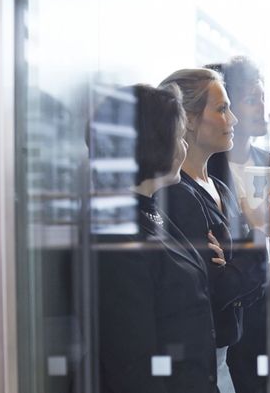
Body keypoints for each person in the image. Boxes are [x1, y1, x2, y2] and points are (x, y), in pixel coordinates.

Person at [155, 68, 270, 393]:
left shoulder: (221, 187)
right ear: (191, 119)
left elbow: (243, 286)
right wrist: (257, 234)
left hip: (224, 358)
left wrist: (237, 258)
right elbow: (216, 290)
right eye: (222, 109)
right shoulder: (176, 194)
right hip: (194, 361)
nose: (234, 120)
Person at [96, 84, 225, 393]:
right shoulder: (120, 235)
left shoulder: (151, 212)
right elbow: (133, 362)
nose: (184, 147)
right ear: (155, 143)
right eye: (180, 137)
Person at [206, 57, 270, 393]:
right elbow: (216, 265)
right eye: (251, 99)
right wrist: (267, 247)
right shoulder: (209, 171)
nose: (262, 107)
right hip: (232, 322)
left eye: (263, 97)